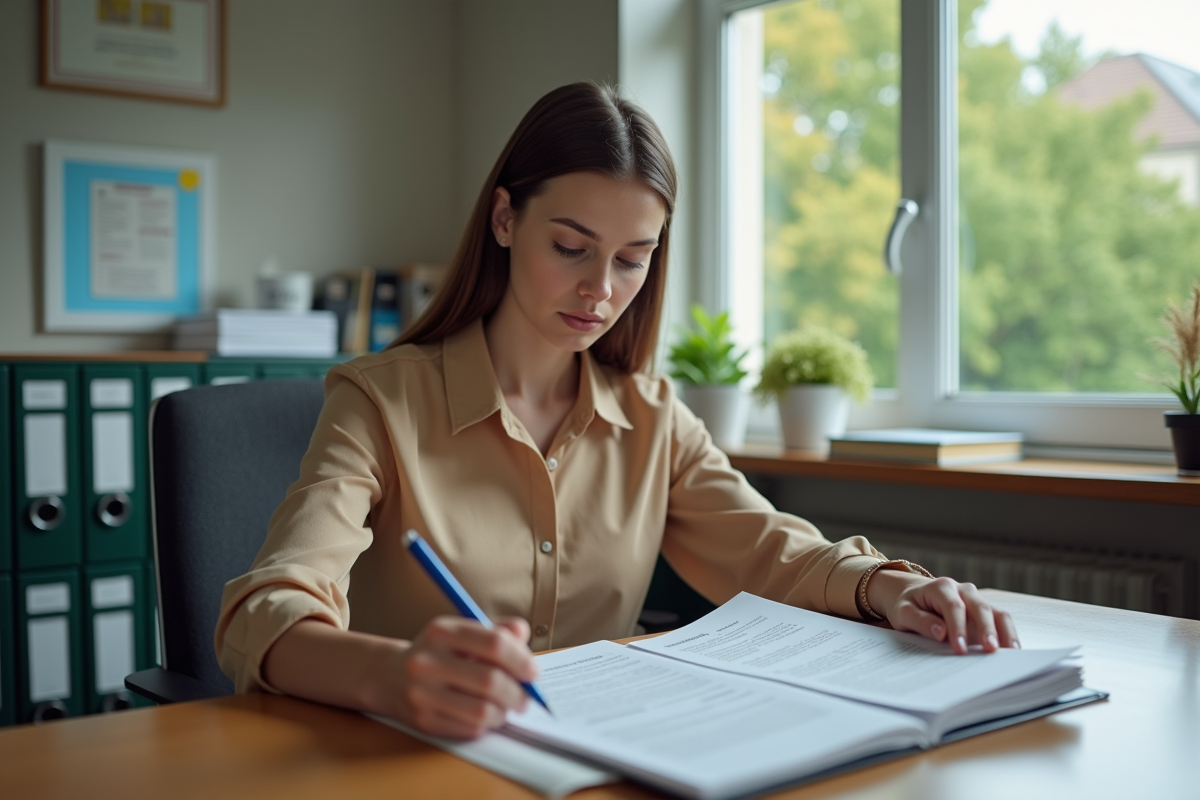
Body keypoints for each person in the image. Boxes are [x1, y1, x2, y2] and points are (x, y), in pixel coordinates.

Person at [215, 82, 1019, 740]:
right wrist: (395, 674)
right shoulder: (379, 400)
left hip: (602, 757)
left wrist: (887, 589)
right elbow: (268, 608)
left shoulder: (654, 417)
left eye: (633, 260)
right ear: (505, 219)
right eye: (571, 248)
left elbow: (770, 550)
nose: (600, 289)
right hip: (414, 758)